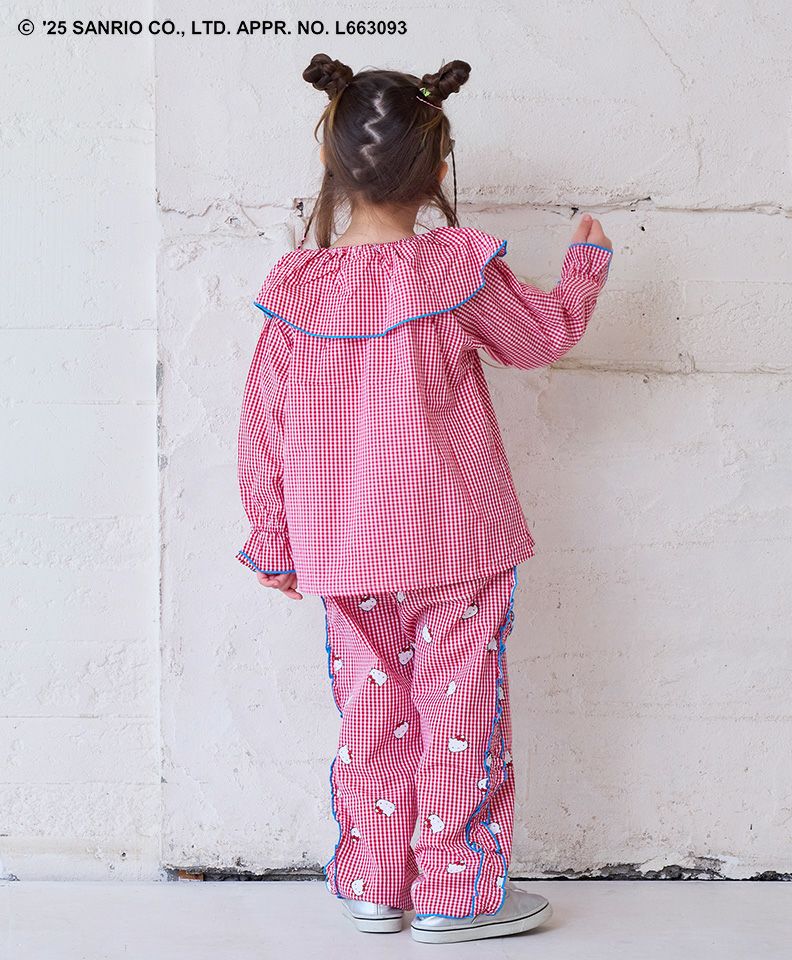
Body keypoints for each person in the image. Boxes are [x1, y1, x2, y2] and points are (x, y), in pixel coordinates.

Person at [235, 53, 613, 945]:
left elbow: (262, 421)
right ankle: (456, 893)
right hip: (457, 543)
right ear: (439, 164)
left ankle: (374, 884)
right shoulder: (453, 270)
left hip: (343, 551)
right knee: (460, 713)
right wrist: (586, 268)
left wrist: (274, 538)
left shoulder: (298, 287)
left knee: (371, 713)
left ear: (328, 160)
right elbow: (539, 337)